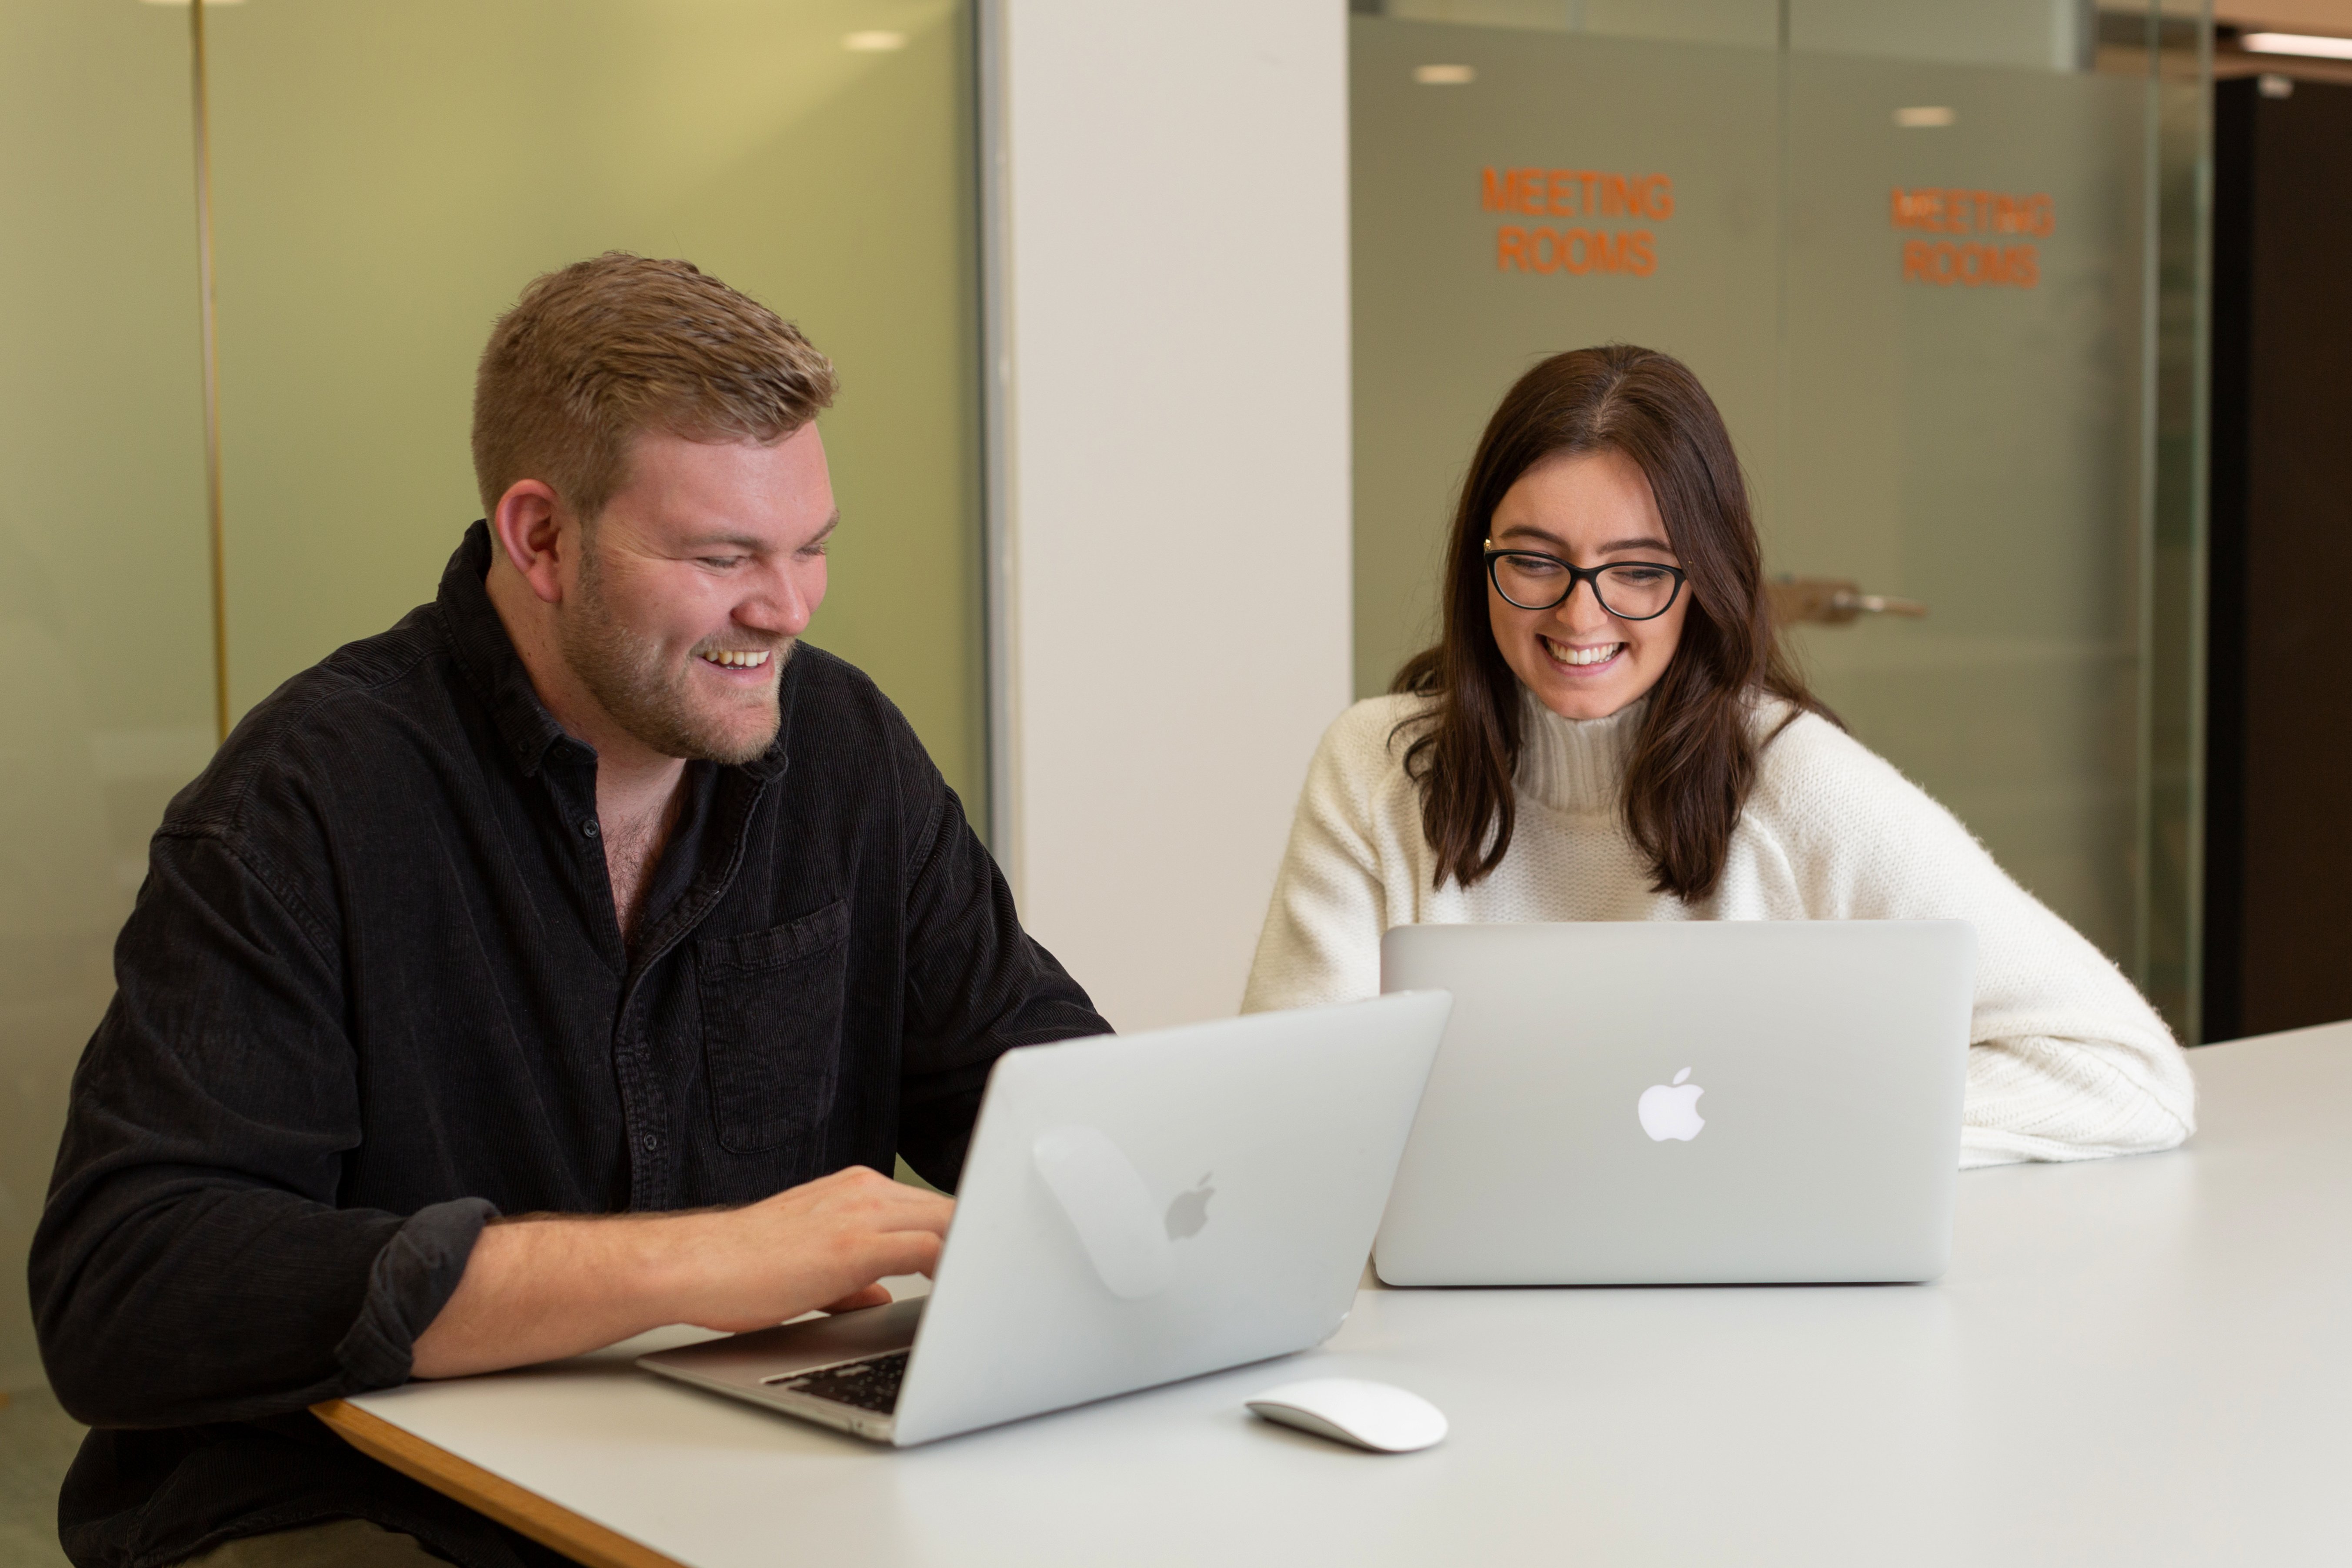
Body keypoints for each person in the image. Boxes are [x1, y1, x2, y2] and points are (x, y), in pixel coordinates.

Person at [30, 254, 1108, 1568]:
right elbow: (131, 1287)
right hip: (355, 1499)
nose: (786, 607)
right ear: (541, 536)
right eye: (722, 555)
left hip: (734, 1468)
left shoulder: (844, 751)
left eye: (810, 546)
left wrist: (1161, 1197)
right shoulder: (305, 798)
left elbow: (1045, 1093)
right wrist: (691, 1265)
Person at [1244, 344, 2193, 1165]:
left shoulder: (1796, 780)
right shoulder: (1372, 765)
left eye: (1638, 570)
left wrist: (1778, 1139)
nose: (1581, 615)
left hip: (1735, 1333)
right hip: (1440, 1318)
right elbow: (1286, 1116)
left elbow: (2123, 1072)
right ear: (1477, 564)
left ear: (1704, 579)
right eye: (1534, 560)